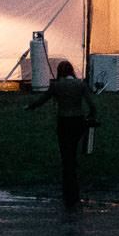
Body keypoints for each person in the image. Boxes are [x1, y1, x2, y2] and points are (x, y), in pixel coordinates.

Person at [28, 59, 98, 209]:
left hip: (64, 121)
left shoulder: (56, 86)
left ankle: (68, 183)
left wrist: (31, 106)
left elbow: (42, 99)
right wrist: (92, 116)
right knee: (73, 148)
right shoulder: (80, 84)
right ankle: (73, 178)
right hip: (78, 120)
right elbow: (92, 104)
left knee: (65, 152)